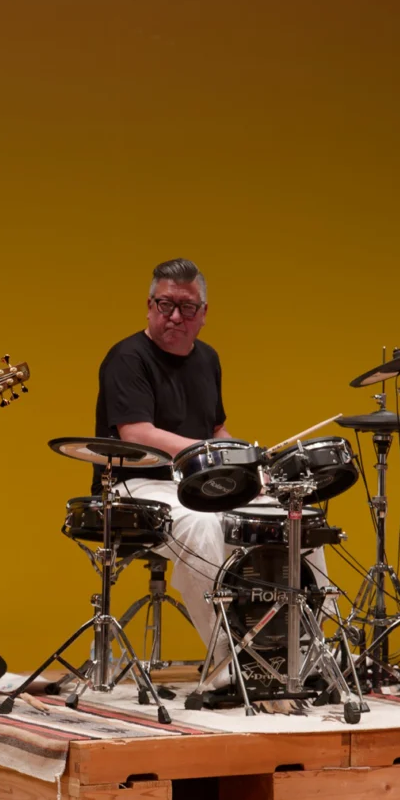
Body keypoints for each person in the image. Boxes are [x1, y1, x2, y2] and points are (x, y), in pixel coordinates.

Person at [94, 258, 331, 669]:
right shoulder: (127, 357)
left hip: (198, 482)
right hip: (138, 483)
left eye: (187, 307)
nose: (175, 316)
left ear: (203, 314)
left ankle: (313, 651)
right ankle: (228, 662)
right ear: (149, 306)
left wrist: (246, 461)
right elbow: (136, 433)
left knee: (293, 517)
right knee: (203, 526)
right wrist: (208, 452)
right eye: (165, 304)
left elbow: (216, 427)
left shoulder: (208, 358)